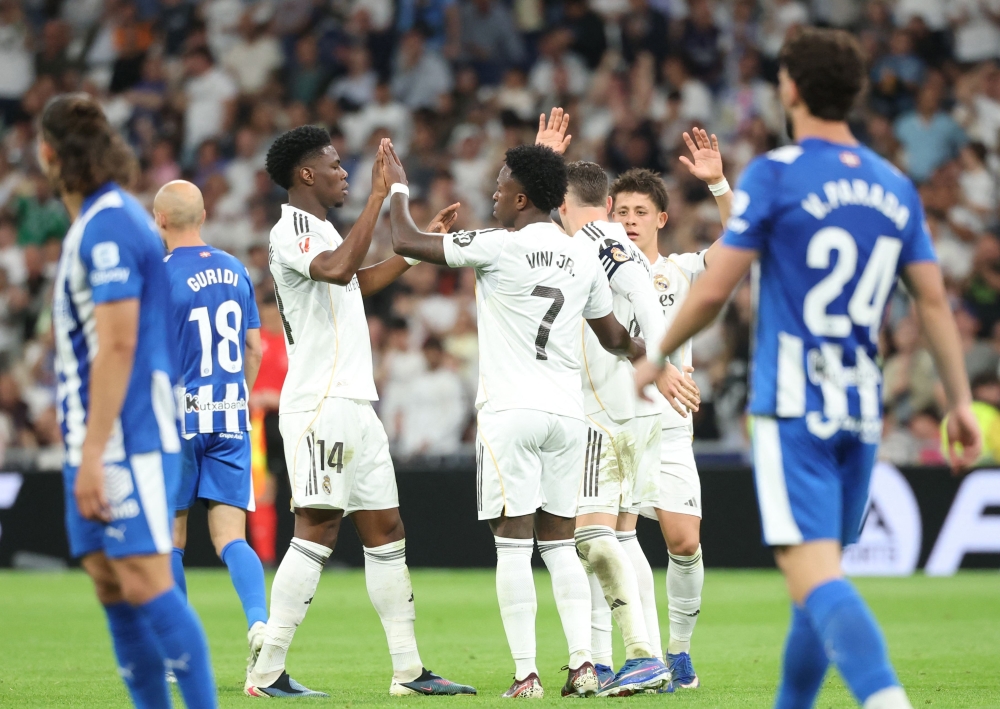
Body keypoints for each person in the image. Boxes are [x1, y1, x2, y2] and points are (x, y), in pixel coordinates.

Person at [636, 28, 982, 709]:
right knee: (812, 584)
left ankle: (885, 697)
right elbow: (934, 301)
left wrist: (655, 356)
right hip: (863, 410)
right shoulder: (894, 186)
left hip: (795, 411)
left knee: (817, 578)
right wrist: (961, 401)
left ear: (790, 86)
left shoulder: (777, 171)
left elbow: (712, 289)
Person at [386, 140, 670, 698]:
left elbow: (404, 242)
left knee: (513, 547)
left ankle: (527, 674)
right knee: (561, 545)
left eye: (498, 186)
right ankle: (585, 665)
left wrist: (396, 187)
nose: (492, 194)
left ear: (520, 198)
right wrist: (657, 362)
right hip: (566, 417)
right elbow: (614, 337)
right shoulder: (581, 256)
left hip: (510, 413)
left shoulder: (499, 246)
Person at [245, 125, 474, 698]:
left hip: (355, 400)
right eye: (334, 165)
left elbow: (357, 279)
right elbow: (336, 269)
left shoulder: (321, 228)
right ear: (305, 175)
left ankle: (407, 671)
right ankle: (267, 670)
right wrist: (378, 197)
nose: (344, 172)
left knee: (386, 528)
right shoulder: (290, 230)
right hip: (321, 401)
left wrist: (415, 248)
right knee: (318, 527)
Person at [44, 93, 217, 708]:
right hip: (98, 437)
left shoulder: (111, 222)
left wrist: (92, 454)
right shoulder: (98, 219)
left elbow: (118, 347)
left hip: (126, 439)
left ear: (47, 153)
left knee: (145, 578)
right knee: (109, 581)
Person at [606, 129, 733, 690]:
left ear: (661, 218)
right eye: (622, 210)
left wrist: (718, 183)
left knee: (684, 542)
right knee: (605, 539)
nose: (630, 219)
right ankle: (625, 653)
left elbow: (742, 239)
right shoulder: (594, 270)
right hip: (611, 424)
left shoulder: (681, 270)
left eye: (641, 211)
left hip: (669, 425)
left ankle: (678, 650)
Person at [156, 180, 269, 680]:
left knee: (171, 540)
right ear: (203, 215)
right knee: (231, 537)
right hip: (229, 414)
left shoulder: (158, 276)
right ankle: (261, 624)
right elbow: (256, 347)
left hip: (177, 418)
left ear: (160, 221)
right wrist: (239, 399)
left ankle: (178, 658)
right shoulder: (235, 268)